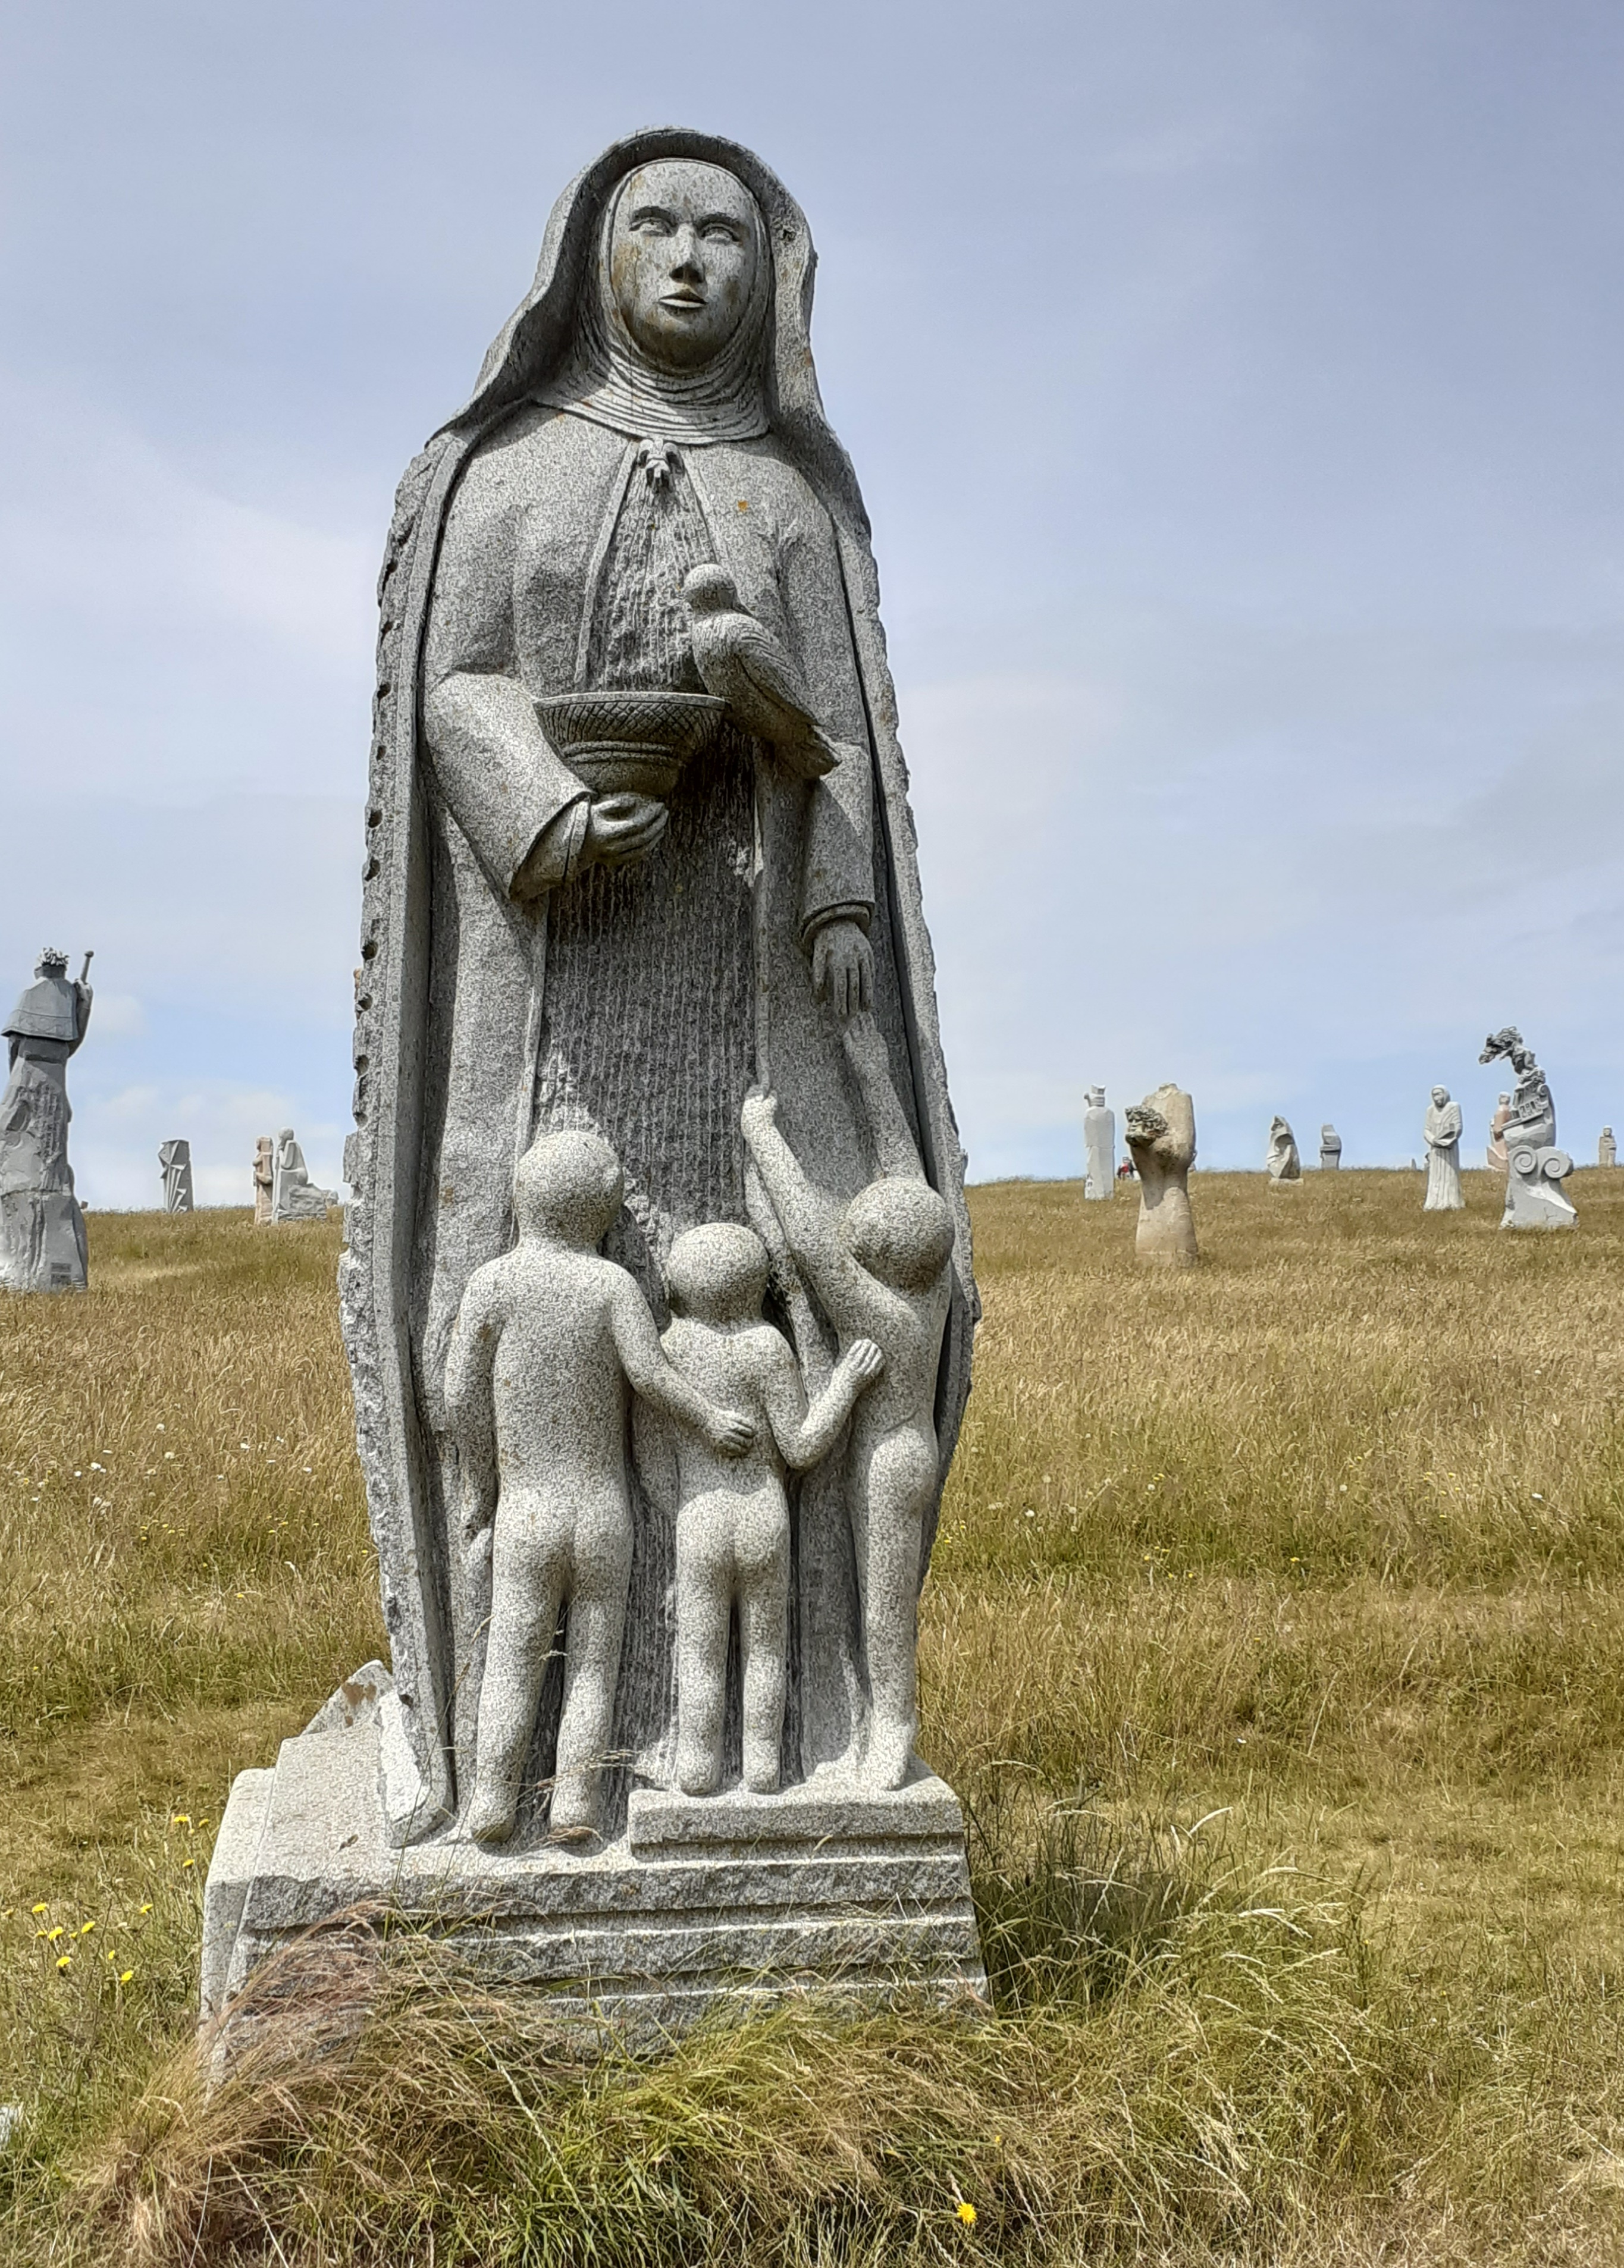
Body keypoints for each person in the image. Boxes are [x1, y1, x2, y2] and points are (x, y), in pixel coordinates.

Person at [345, 130, 976, 1832]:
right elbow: (460, 678)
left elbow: (844, 739)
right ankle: (514, 1726)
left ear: (773, 275)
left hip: (741, 941)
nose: (692, 258)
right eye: (659, 227)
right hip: (556, 944)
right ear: (594, 255)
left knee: (765, 1263)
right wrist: (550, 808)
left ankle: (759, 1725)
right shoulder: (508, 470)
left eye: (726, 234)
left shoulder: (791, 498)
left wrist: (835, 889)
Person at [444, 1130, 753, 1843]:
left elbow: (460, 1397)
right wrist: (710, 1419)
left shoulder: (494, 1283)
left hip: (527, 1508)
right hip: (602, 1512)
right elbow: (650, 1377)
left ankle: (492, 1800)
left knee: (513, 1659)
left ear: (523, 1196)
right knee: (592, 1665)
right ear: (605, 1209)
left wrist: (478, 1489)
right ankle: (576, 1803)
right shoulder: (612, 1285)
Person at [742, 1014, 954, 1790]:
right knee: (881, 1600)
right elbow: (904, 1171)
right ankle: (882, 1722)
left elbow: (808, 1240)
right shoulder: (931, 1281)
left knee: (884, 1608)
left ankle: (891, 1728)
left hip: (888, 1465)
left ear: (880, 1254)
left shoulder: (882, 1314)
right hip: (903, 1451)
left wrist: (762, 1135)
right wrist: (870, 1069)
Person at [660, 1222, 882, 1797]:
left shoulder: (672, 1349)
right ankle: (763, 1765)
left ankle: (697, 1766)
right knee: (765, 1650)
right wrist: (846, 1383)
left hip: (699, 1514)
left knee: (700, 1652)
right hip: (764, 1514)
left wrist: (679, 1502)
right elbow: (802, 1446)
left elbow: (651, 1455)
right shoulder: (767, 1347)